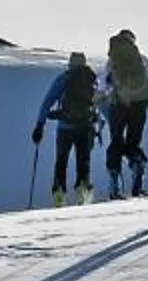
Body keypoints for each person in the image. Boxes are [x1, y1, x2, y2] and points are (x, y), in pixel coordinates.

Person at [99, 30, 148, 198]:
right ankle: (137, 165)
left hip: (118, 105)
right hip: (140, 105)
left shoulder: (112, 60)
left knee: (116, 141)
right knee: (134, 141)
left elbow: (102, 85)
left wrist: (101, 98)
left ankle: (115, 186)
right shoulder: (143, 60)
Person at [32, 51, 100, 207]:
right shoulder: (92, 79)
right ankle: (83, 191)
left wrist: (40, 125)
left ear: (70, 64)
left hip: (65, 127)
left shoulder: (64, 79)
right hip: (86, 126)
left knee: (61, 161)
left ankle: (59, 194)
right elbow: (98, 102)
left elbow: (47, 102)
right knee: (84, 161)